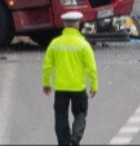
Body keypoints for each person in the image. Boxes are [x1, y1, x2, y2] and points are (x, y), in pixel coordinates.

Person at [42, 11, 98, 146]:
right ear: (77, 25)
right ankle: (75, 138)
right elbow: (91, 68)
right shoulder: (83, 45)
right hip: (78, 87)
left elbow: (47, 66)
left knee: (60, 117)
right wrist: (94, 86)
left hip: (61, 88)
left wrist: (46, 83)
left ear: (65, 25)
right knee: (80, 113)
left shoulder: (55, 44)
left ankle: (64, 142)